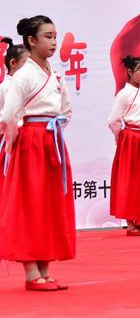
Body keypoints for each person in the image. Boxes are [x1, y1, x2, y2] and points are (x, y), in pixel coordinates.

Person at [0, 15, 74, 291]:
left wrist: (55, 131)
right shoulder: (24, 75)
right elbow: (9, 115)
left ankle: (45, 268)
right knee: (31, 203)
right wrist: (16, 141)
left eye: (55, 36)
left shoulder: (54, 74)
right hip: (31, 140)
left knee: (50, 203)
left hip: (51, 141)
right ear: (31, 41)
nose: (54, 42)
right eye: (48, 36)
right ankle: (31, 272)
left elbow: (65, 110)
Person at [108, 55, 140, 236]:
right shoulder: (124, 94)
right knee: (130, 179)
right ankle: (130, 223)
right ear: (129, 72)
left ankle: (139, 219)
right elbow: (113, 120)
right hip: (131, 138)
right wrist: (121, 137)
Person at [0, 37, 28, 197]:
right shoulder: (5, 88)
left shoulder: (23, 87)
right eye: (27, 64)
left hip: (23, 142)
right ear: (13, 63)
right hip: (8, 143)